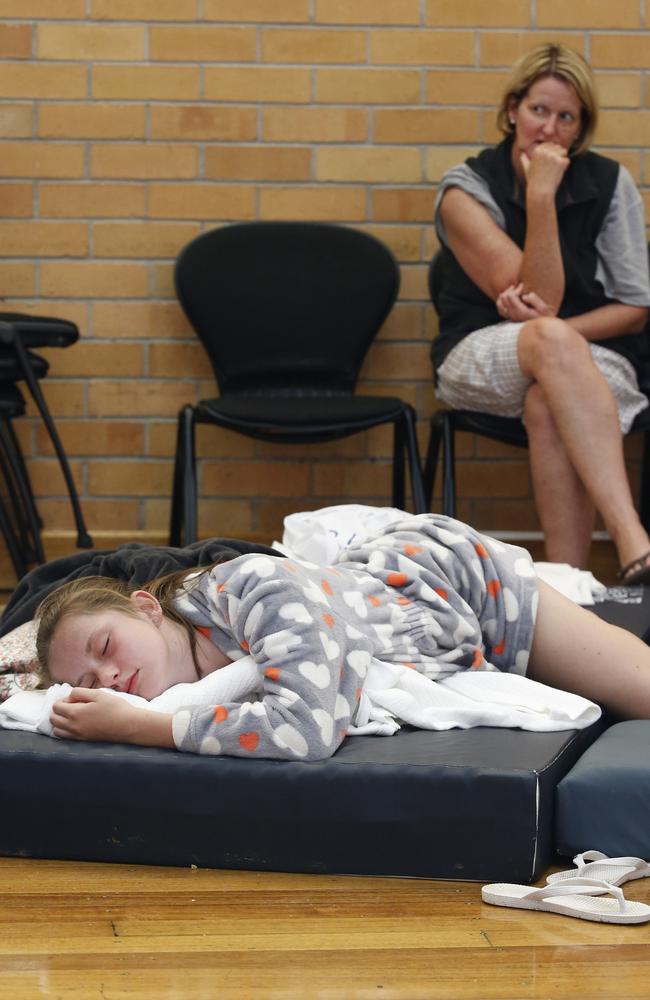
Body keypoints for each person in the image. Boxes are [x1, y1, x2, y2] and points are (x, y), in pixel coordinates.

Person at [35, 513, 650, 760]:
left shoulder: (252, 587)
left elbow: (307, 729)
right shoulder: (180, 676)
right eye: (90, 682)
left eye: (106, 648)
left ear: (144, 607)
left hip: (455, 585)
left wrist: (136, 726)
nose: (108, 679)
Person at [432, 43, 650, 580]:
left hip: (591, 356)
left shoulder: (611, 183)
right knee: (549, 344)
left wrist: (561, 335)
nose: (549, 129)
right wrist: (540, 198)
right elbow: (541, 294)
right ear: (512, 110)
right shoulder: (465, 188)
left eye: (566, 117)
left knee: (547, 398)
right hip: (481, 351)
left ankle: (566, 586)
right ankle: (632, 539)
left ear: (581, 128)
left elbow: (636, 306)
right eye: (538, 111)